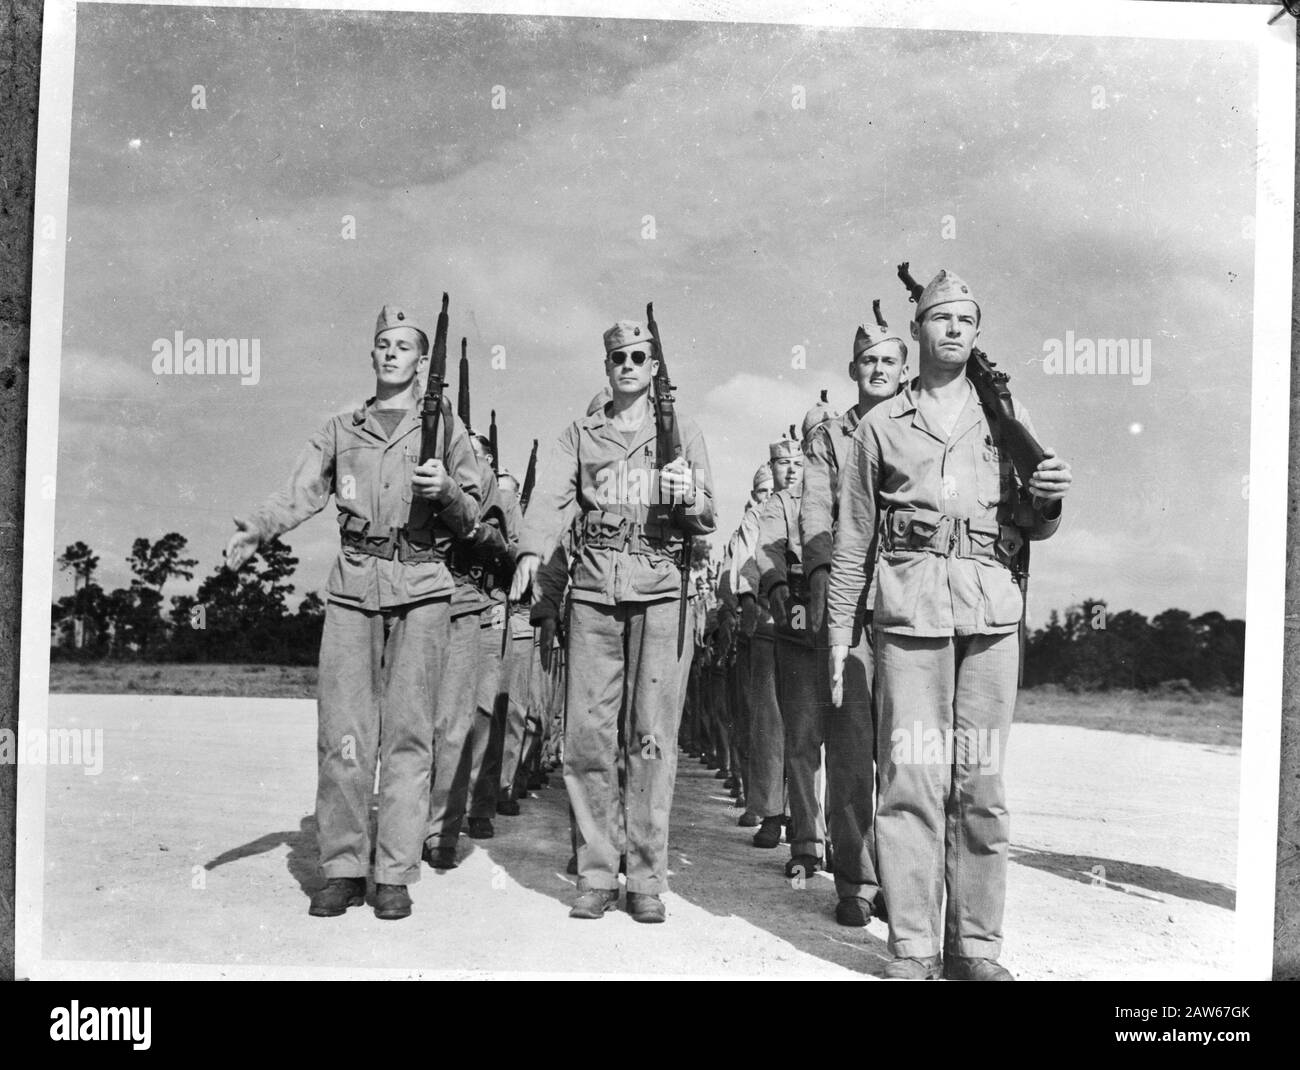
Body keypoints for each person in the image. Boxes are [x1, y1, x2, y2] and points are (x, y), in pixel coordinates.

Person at [827, 270, 1072, 979]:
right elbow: (851, 544)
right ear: (919, 331)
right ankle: (912, 945)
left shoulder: (1005, 414)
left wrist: (1050, 501)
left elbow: (1030, 522)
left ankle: (976, 949)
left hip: (991, 613)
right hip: (909, 619)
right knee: (910, 779)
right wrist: (840, 637)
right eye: (942, 319)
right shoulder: (878, 426)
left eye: (967, 319)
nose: (956, 329)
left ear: (976, 331)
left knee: (983, 784)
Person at [226, 303, 483, 921]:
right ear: (372, 356)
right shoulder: (342, 429)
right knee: (342, 733)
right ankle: (342, 867)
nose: (392, 353)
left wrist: (443, 491)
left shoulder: (446, 430)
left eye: (405, 345)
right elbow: (300, 491)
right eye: (383, 344)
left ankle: (393, 872)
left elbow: (474, 513)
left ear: (423, 361)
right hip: (352, 588)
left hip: (422, 586)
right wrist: (258, 530)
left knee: (409, 736)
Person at [511, 319, 714, 923]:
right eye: (617, 357)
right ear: (607, 368)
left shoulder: (682, 431)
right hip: (595, 592)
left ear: (653, 367)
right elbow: (551, 497)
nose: (627, 365)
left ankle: (647, 877)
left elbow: (707, 515)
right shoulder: (581, 434)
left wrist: (690, 495)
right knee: (587, 738)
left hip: (659, 591)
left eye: (638, 356)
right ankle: (597, 871)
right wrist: (529, 548)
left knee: (651, 736)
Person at [796, 306, 909, 926]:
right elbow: (817, 520)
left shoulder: (915, 428)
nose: (878, 370)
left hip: (909, 604)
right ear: (852, 369)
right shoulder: (829, 438)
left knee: (905, 751)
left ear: (904, 369)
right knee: (849, 748)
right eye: (868, 361)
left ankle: (903, 879)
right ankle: (855, 880)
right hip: (848, 605)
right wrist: (820, 586)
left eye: (890, 361)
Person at [738, 442, 801, 847]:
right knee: (770, 726)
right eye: (783, 463)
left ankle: (803, 815)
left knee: (806, 728)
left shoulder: (813, 506)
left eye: (799, 463)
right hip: (768, 626)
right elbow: (745, 568)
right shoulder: (757, 516)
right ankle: (771, 813)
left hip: (808, 627)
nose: (792, 471)